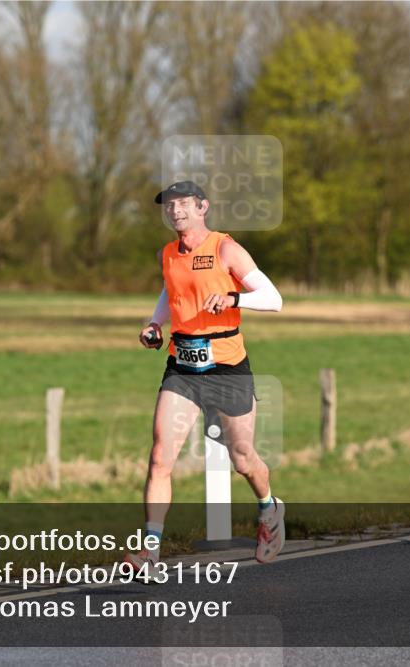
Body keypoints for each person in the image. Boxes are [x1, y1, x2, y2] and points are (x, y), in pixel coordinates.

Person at [123, 180, 285, 578]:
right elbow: (171, 290)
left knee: (243, 459)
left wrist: (234, 298)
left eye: (183, 204)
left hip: (227, 368)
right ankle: (150, 552)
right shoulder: (168, 254)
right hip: (182, 368)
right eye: (169, 205)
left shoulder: (225, 249)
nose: (175, 211)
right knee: (160, 457)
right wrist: (154, 324)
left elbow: (274, 298)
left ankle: (269, 508)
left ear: (203, 208)